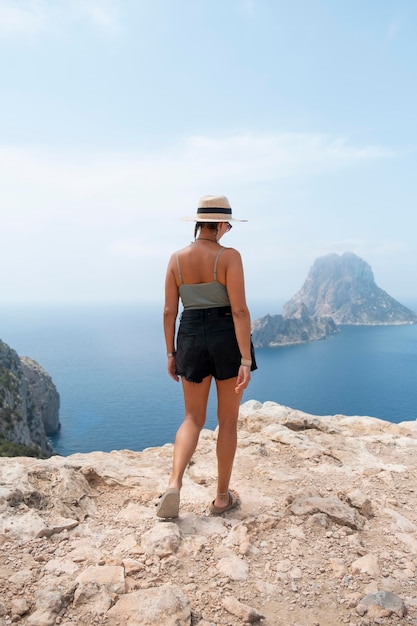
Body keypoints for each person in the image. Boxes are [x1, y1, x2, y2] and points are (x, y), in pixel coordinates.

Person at [157, 195, 257, 519]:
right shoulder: (229, 257)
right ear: (220, 224)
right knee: (226, 421)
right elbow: (240, 310)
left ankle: (174, 483)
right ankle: (221, 498)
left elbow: (170, 311)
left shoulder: (176, 259)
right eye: (228, 224)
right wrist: (244, 360)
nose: (229, 229)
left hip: (188, 335)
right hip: (226, 334)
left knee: (192, 418)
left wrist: (171, 353)